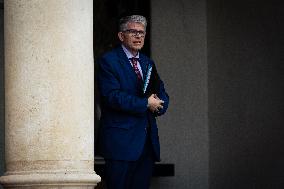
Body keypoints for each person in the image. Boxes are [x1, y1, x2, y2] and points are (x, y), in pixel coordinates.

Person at [97, 15, 169, 189]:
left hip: (146, 144)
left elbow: (160, 91)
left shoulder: (147, 62)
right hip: (120, 143)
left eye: (142, 33)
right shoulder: (109, 61)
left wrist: (160, 104)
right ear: (121, 36)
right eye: (133, 32)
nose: (138, 36)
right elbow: (111, 96)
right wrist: (145, 104)